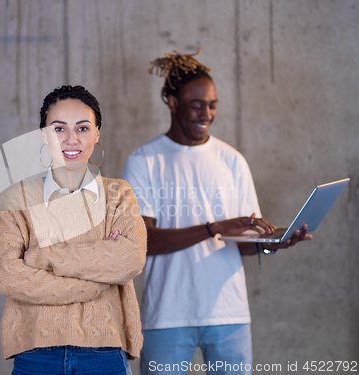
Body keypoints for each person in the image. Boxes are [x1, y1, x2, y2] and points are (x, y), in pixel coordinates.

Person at [121, 50, 312, 375]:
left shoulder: (232, 160)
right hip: (167, 314)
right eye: (196, 104)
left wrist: (271, 243)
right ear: (172, 101)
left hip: (229, 314)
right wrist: (212, 228)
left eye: (212, 104)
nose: (206, 113)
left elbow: (240, 241)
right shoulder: (144, 161)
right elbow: (143, 243)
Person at [0, 85, 147, 375]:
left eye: (83, 128)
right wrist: (99, 278)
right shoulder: (17, 199)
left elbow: (130, 258)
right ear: (43, 135)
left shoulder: (118, 195)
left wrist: (40, 257)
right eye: (59, 128)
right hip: (36, 354)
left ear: (97, 133)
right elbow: (8, 276)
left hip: (104, 354)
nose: (71, 139)